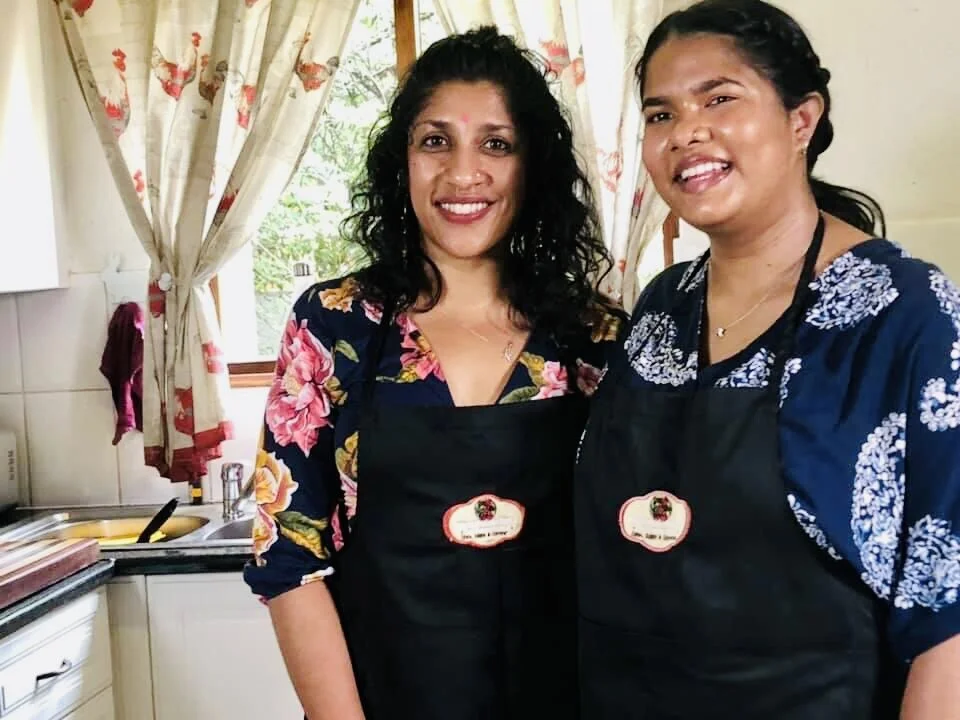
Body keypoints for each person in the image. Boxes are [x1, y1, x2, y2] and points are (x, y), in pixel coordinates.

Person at [574, 1, 960, 718]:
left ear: (801, 120)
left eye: (719, 98)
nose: (686, 131)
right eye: (660, 114)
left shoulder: (904, 314)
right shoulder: (663, 305)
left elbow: (949, 614)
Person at [243, 26, 620, 720]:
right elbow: (288, 557)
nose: (462, 174)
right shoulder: (336, 327)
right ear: (403, 160)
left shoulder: (591, 337)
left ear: (531, 165)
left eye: (496, 144)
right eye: (435, 141)